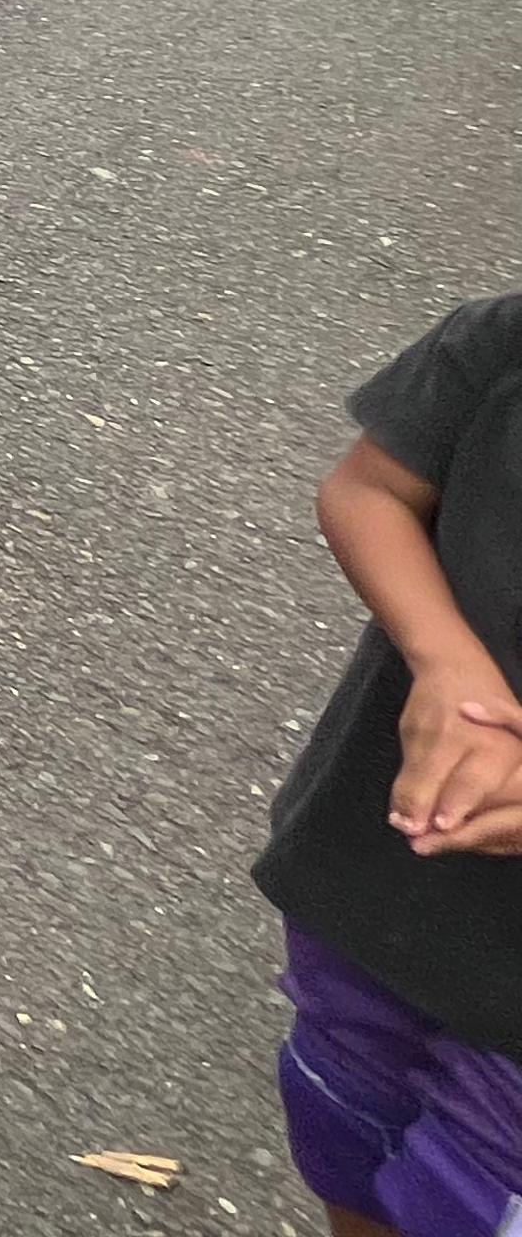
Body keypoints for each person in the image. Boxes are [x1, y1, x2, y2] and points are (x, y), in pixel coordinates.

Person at [253, 288, 522, 1237]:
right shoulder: (505, 339)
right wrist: (446, 659)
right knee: (342, 1112)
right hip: (379, 874)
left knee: (468, 1200)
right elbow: (369, 489)